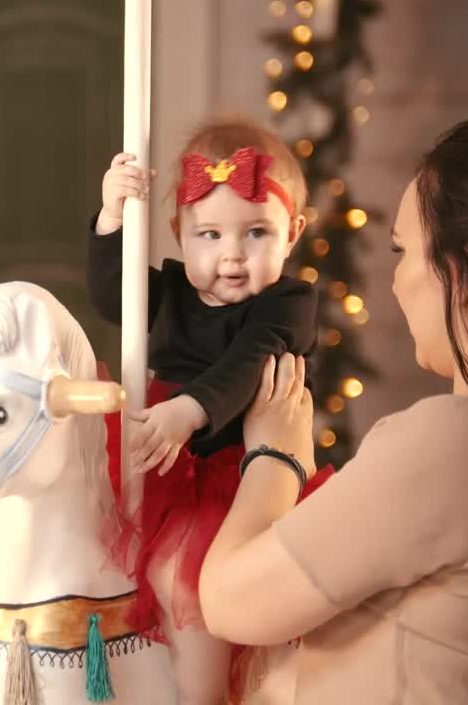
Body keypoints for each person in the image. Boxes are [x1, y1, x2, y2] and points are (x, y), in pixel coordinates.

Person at [200, 113, 468, 704]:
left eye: (404, 251)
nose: (396, 282)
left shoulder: (458, 441)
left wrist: (275, 453)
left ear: (465, 274)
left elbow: (230, 603)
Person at [86, 114, 333, 703]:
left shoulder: (288, 306)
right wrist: (111, 218)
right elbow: (109, 294)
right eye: (210, 235)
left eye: (256, 233)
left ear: (293, 233)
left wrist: (191, 409)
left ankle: (205, 697)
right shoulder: (169, 293)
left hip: (235, 476)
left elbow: (248, 362)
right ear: (178, 232)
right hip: (163, 464)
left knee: (189, 583)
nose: (233, 255)